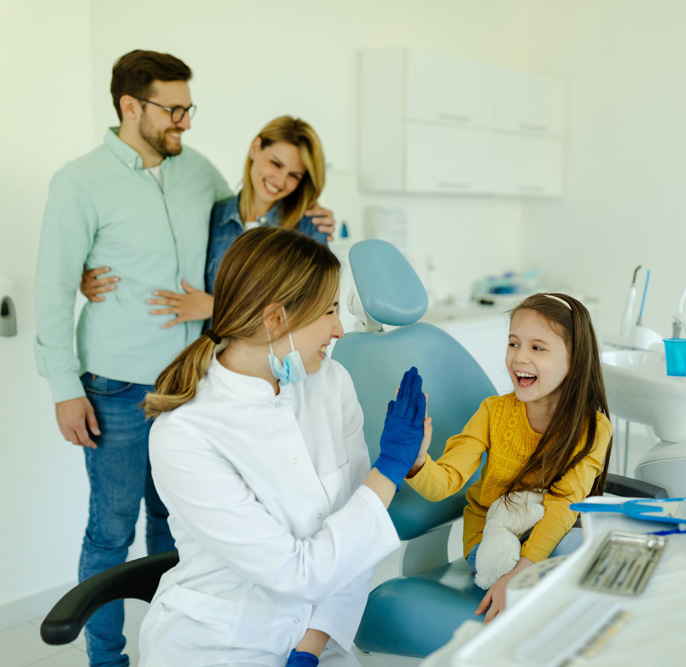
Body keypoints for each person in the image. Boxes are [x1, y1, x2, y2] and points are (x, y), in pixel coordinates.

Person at [139, 226, 429, 666]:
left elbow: (356, 541)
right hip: (220, 645)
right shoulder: (184, 435)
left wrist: (310, 647)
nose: (339, 330)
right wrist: (388, 471)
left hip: (320, 637)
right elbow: (298, 571)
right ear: (275, 319)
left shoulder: (331, 382)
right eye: (329, 310)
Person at [34, 49, 232, 667]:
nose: (186, 122)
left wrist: (310, 213)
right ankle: (107, 661)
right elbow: (52, 286)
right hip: (114, 389)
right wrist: (65, 387)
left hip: (191, 387)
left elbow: (245, 228)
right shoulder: (79, 181)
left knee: (180, 532)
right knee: (109, 537)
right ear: (130, 106)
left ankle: (174, 651)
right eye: (174, 110)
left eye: (188, 108)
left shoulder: (201, 173)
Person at [405, 292, 613, 623]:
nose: (519, 358)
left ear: (573, 360)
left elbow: (563, 505)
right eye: (513, 343)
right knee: (531, 582)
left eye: (537, 347)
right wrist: (416, 460)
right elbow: (444, 482)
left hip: (546, 535)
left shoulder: (592, 428)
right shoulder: (493, 412)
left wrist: (524, 570)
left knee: (586, 549)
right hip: (489, 538)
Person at [80, 115, 336, 328]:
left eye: (294, 175)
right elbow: (162, 249)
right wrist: (90, 273)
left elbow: (310, 310)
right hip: (213, 368)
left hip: (276, 374)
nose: (280, 180)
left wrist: (214, 306)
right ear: (255, 147)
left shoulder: (308, 228)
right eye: (276, 163)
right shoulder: (214, 215)